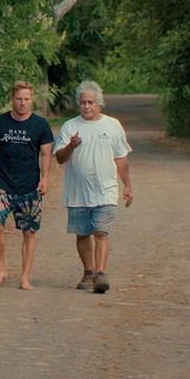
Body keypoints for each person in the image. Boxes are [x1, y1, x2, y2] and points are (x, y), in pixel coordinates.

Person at [54, 80, 132, 293]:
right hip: (77, 192)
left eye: (91, 102)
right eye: (83, 102)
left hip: (105, 190)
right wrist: (70, 146)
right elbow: (59, 158)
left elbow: (121, 157)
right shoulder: (70, 126)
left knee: (101, 232)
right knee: (82, 234)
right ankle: (88, 272)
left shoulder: (112, 125)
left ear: (99, 104)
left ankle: (100, 274)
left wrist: (127, 185)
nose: (86, 106)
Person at [0, 81, 54, 289]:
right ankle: (1, 269)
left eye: (27, 99)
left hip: (30, 185)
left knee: (28, 232)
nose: (23, 103)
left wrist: (45, 178)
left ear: (32, 100)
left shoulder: (40, 125)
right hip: (3, 183)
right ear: (12, 99)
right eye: (19, 99)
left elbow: (46, 155)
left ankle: (25, 277)